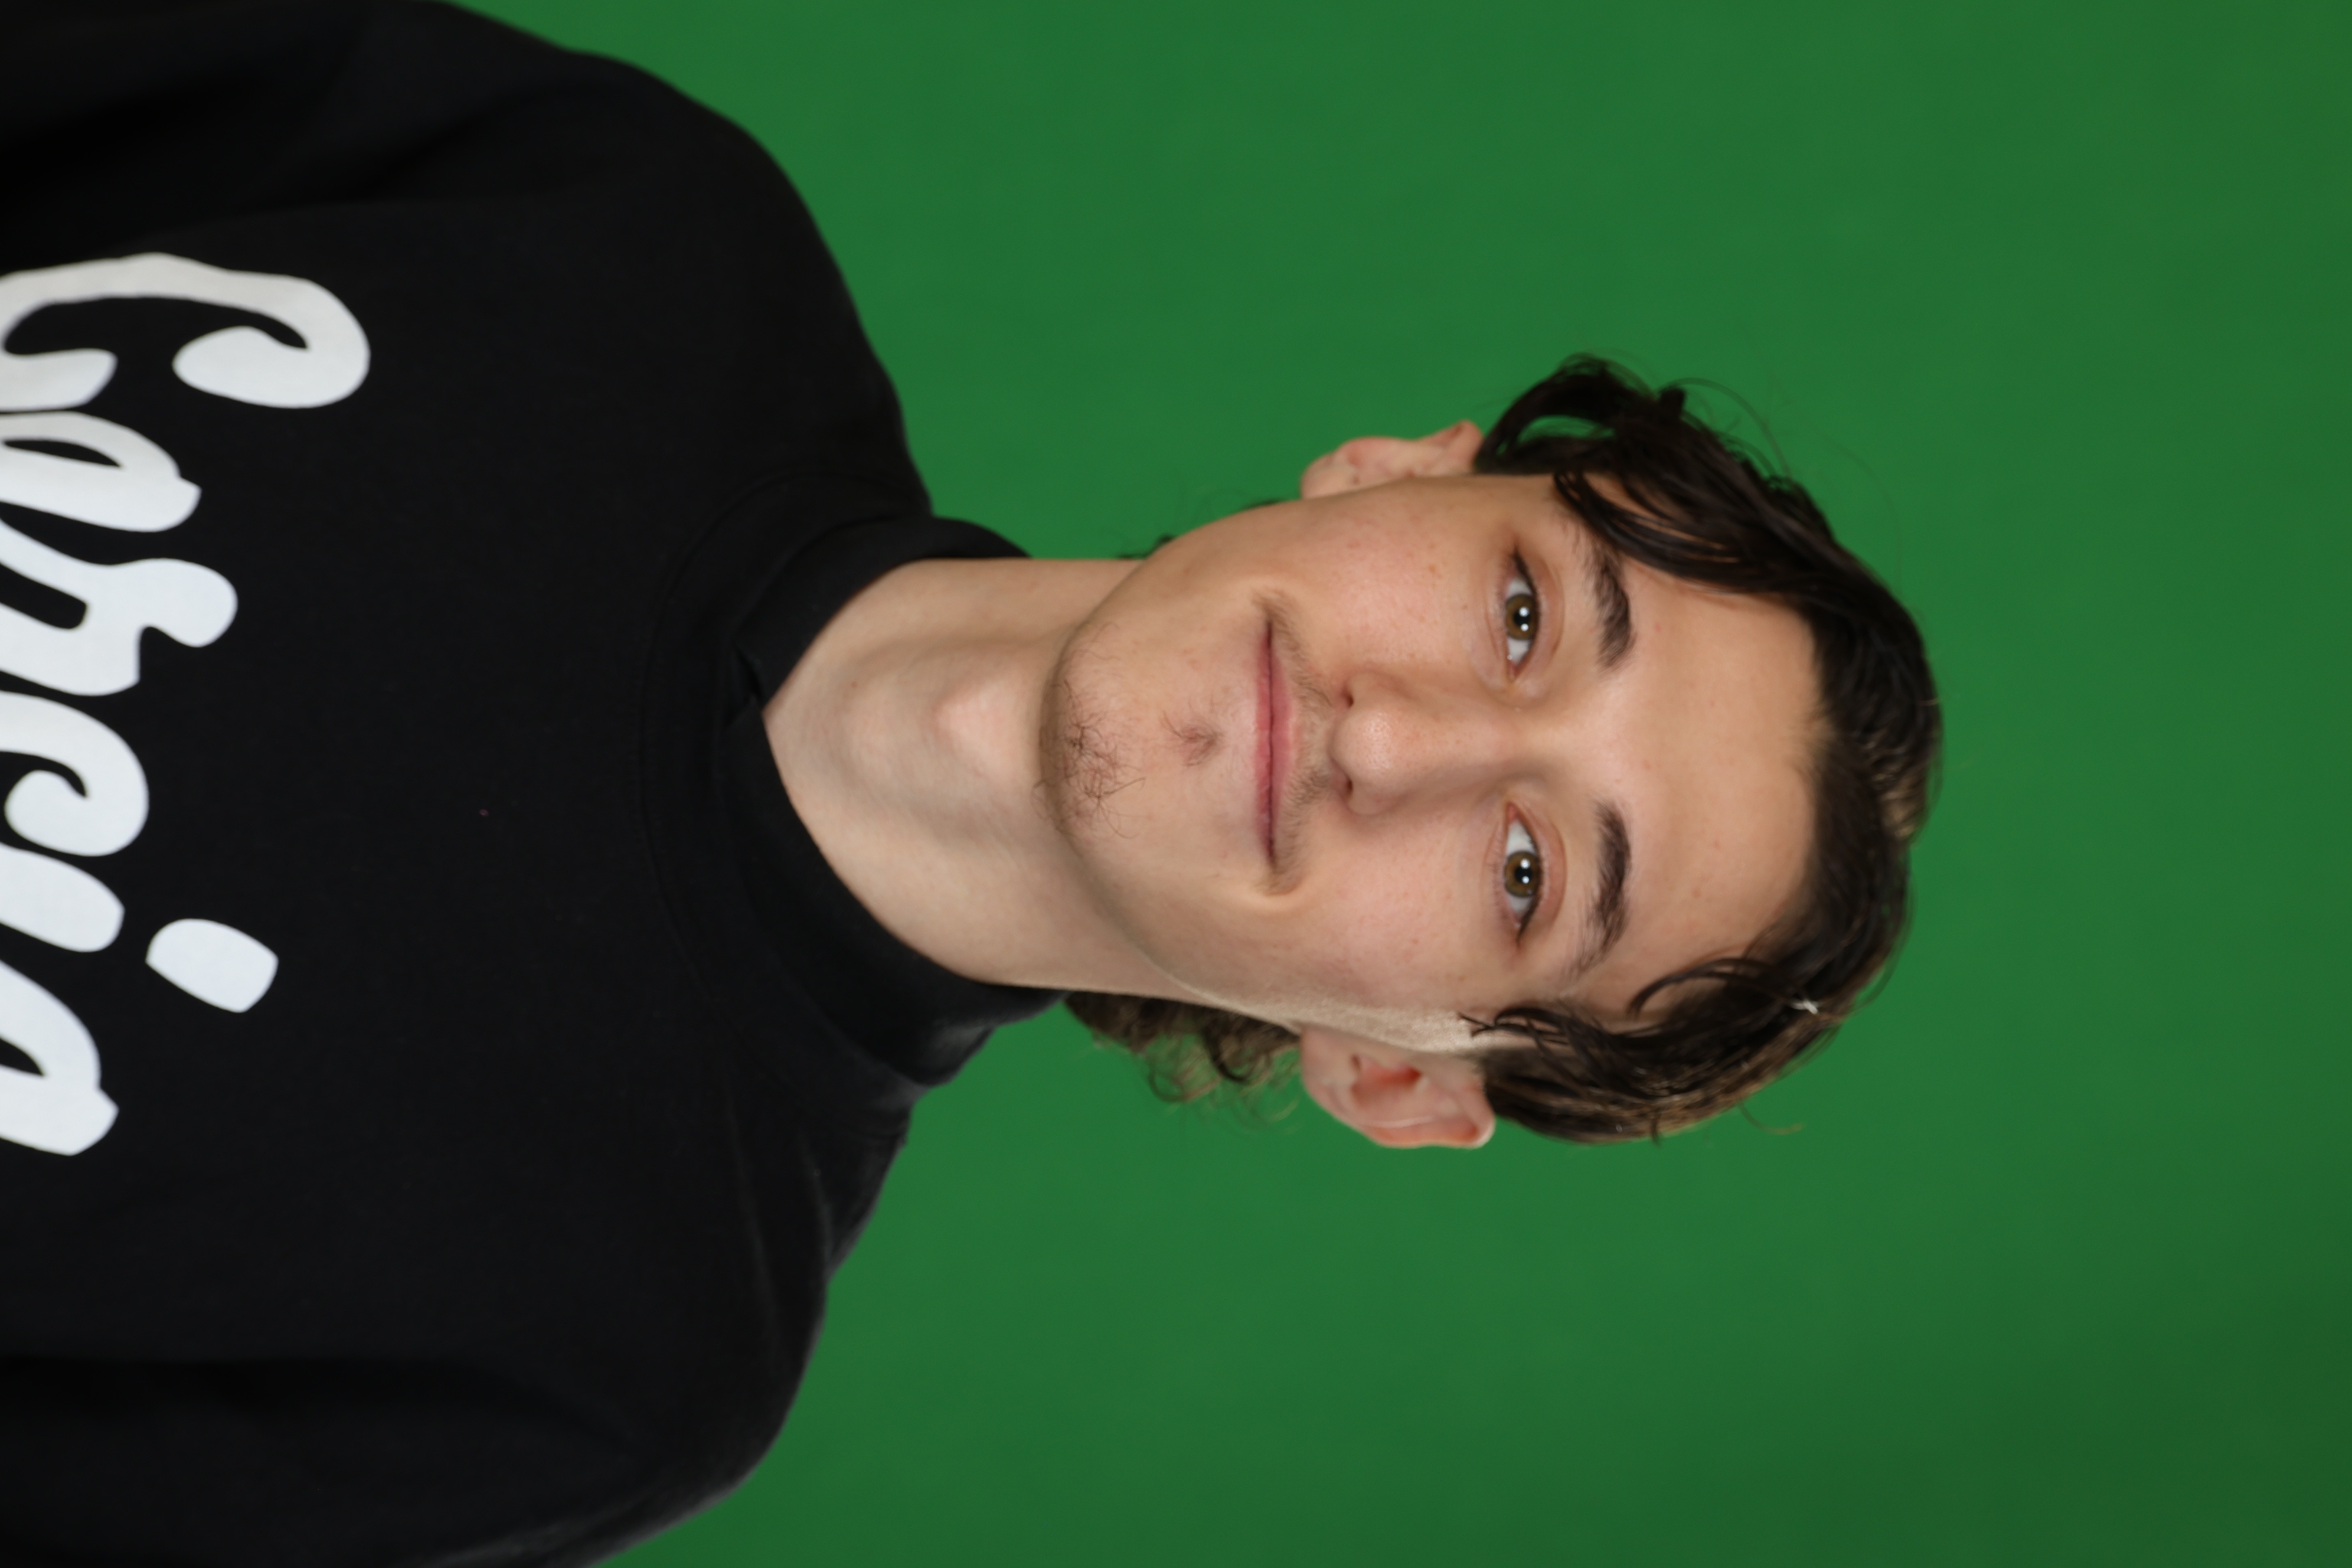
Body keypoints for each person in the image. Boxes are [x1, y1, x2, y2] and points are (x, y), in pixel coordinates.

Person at [0, 1, 1936, 1563]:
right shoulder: (641, 230)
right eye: (1524, 615)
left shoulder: (603, 1368)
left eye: (1528, 875)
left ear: (1397, 1080)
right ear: (1403, 470)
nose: (1398, 736)